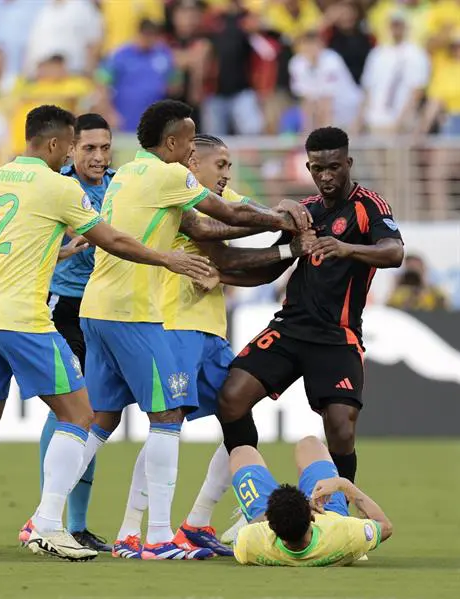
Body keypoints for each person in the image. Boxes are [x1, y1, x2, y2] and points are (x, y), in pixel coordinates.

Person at [0, 104, 213, 563]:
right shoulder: (60, 186)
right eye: (69, 145)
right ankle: (47, 524)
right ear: (52, 144)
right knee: (80, 415)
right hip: (25, 317)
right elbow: (116, 240)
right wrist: (169, 259)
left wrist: (59, 251)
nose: (70, 155)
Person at [74, 100, 308, 561]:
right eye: (219, 164)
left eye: (229, 166)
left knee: (238, 423)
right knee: (167, 424)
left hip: (207, 332)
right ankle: (132, 530)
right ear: (188, 158)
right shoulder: (176, 191)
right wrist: (286, 240)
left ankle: (196, 523)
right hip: (174, 323)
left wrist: (286, 229)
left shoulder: (200, 189)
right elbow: (228, 258)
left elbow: (245, 221)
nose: (225, 173)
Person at [216, 127, 405, 534]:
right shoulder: (304, 211)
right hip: (290, 328)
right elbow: (272, 268)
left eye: (335, 167)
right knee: (231, 397)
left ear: (348, 164)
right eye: (318, 168)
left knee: (340, 426)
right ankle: (251, 506)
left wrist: (347, 248)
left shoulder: (368, 206)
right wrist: (221, 276)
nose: (327, 176)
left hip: (337, 335)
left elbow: (394, 252)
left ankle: (336, 511)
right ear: (308, 168)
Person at [21, 113, 117, 553]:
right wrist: (68, 250)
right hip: (65, 307)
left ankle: (72, 522)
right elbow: (33, 249)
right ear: (71, 148)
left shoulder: (120, 185)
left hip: (109, 308)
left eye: (104, 147)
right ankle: (48, 517)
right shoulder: (55, 186)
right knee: (71, 409)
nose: (98, 156)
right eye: (89, 148)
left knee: (95, 413)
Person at [230, 436, 392, 566]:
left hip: (278, 517)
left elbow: (245, 533)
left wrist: (274, 513)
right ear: (312, 516)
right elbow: (385, 526)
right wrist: (344, 484)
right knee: (310, 444)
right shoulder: (348, 534)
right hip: (331, 513)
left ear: (270, 525)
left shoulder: (248, 544)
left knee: (241, 453)